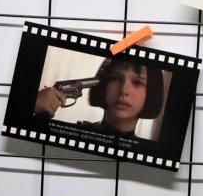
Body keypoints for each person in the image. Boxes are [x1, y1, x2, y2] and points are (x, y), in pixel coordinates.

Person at [33, 58, 165, 138]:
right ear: (103, 85)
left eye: (137, 82)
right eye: (115, 78)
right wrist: (34, 106)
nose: (124, 90)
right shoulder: (76, 134)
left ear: (152, 91)